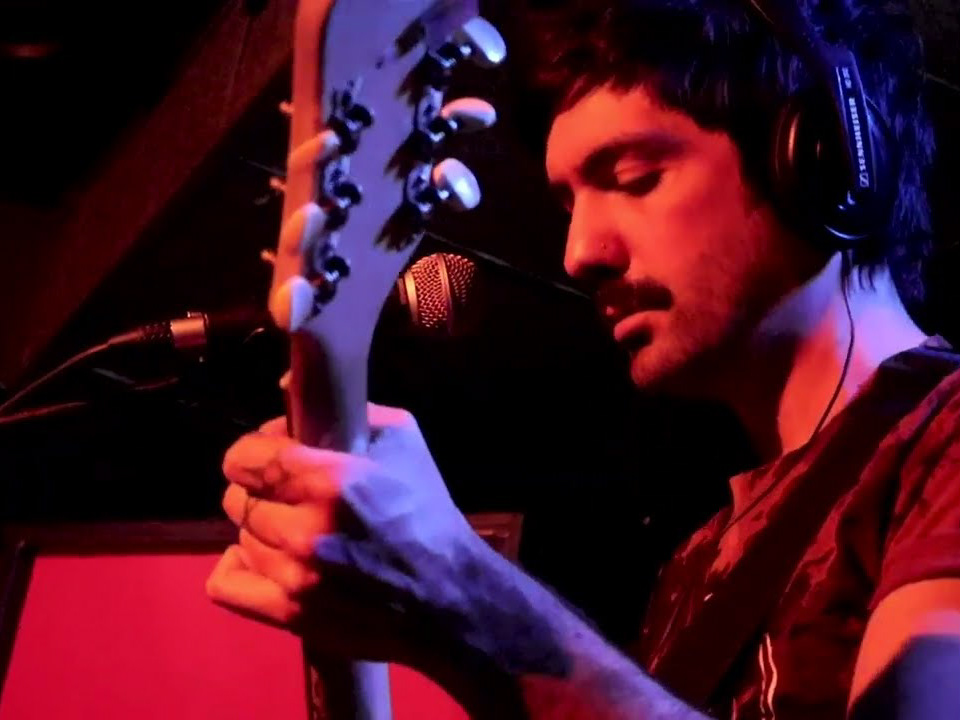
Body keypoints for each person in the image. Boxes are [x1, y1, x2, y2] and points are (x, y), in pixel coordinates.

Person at [205, 0, 960, 717]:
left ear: (822, 161)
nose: (578, 254)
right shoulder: (699, 562)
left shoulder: (945, 449)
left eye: (634, 179)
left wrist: (471, 603)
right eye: (569, 207)